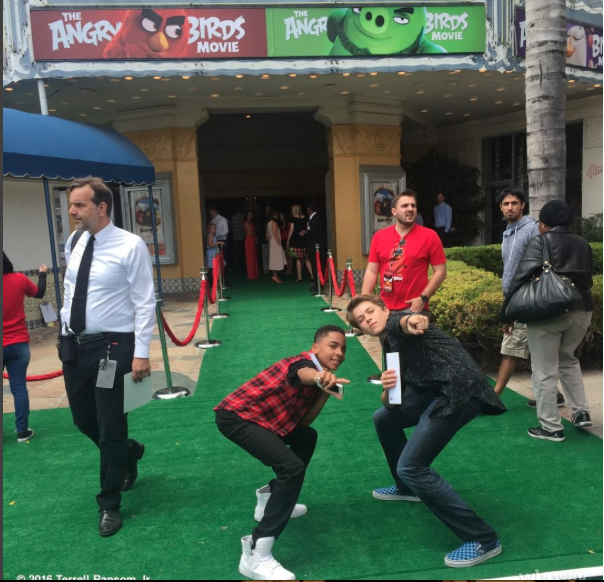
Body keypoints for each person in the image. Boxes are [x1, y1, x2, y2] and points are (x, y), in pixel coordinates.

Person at [347, 294, 506, 568]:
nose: (368, 319)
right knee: (383, 418)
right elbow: (392, 402)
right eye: (361, 319)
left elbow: (408, 322)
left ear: (384, 309)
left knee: (411, 466)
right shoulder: (388, 346)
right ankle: (407, 489)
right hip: (434, 391)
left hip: (459, 391)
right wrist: (387, 389)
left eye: (370, 311)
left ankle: (484, 539)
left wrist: (414, 320)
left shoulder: (397, 323)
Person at [60, 177, 155, 537]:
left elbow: (144, 301)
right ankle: (129, 451)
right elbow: (72, 290)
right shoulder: (74, 242)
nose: (72, 210)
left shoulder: (131, 245)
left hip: (112, 348)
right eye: (72, 203)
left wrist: (141, 353)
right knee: (84, 420)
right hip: (75, 345)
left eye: (79, 204)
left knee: (110, 422)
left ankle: (109, 504)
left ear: (101, 207)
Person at [214, 325, 348, 580]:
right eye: (333, 346)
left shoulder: (322, 376)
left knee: (307, 437)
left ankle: (269, 499)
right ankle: (256, 552)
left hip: (262, 420)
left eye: (343, 348)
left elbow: (304, 422)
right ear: (315, 348)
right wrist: (319, 378)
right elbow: (304, 374)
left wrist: (325, 391)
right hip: (237, 417)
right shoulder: (301, 363)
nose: (340, 352)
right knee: (291, 468)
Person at [501, 200, 594, 442]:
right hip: (582, 310)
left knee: (544, 369)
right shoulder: (583, 243)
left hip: (548, 311)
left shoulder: (540, 241)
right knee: (568, 359)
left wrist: (507, 314)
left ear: (543, 224)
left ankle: (551, 427)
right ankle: (581, 412)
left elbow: (520, 278)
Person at [492, 187, 565, 406]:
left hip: (527, 298)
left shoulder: (532, 229)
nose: (510, 207)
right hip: (514, 297)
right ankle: (553, 394)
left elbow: (544, 260)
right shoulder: (508, 231)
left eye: (514, 203)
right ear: (500, 207)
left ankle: (493, 398)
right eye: (506, 204)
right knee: (534, 349)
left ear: (523, 205)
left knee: (510, 350)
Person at [362, 190, 446, 313]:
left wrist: (423, 298)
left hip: (414, 308)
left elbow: (440, 272)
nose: (410, 209)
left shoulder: (430, 236)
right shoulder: (379, 237)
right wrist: (364, 302)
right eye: (405, 205)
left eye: (413, 205)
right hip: (384, 308)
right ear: (394, 211)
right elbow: (371, 271)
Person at [3, 252, 48, 442]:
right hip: (18, 343)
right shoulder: (19, 279)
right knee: (19, 388)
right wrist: (42, 274)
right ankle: (22, 432)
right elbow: (39, 293)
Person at [301, 202, 326, 293]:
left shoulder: (315, 218)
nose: (307, 210)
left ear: (310, 209)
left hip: (315, 246)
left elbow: (313, 233)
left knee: (316, 266)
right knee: (315, 266)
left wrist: (304, 235)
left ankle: (319, 285)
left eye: (307, 209)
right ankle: (317, 284)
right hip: (314, 246)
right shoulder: (314, 218)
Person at [287, 204, 312, 283]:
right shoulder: (305, 218)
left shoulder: (293, 219)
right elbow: (308, 228)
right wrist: (304, 232)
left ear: (295, 210)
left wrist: (288, 240)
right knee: (306, 258)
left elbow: (291, 230)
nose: (291, 211)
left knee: (298, 258)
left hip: (296, 240)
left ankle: (299, 277)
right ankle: (312, 275)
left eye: (292, 209)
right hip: (304, 239)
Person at [267, 210, 286, 284]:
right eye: (276, 214)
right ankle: (275, 276)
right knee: (276, 259)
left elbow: (267, 234)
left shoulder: (268, 223)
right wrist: (279, 244)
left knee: (273, 259)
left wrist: (270, 240)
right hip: (275, 242)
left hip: (272, 242)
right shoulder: (274, 223)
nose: (277, 216)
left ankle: (275, 276)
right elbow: (275, 234)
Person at [243, 211, 259, 280]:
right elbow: (250, 232)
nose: (250, 215)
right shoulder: (246, 222)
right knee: (250, 257)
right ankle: (250, 274)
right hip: (249, 239)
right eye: (249, 214)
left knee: (254, 256)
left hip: (253, 239)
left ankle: (254, 273)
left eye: (251, 214)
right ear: (246, 215)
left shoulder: (252, 223)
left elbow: (253, 232)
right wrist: (256, 236)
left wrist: (256, 239)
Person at [231, 206, 246, 271]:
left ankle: (236, 266)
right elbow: (244, 226)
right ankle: (242, 266)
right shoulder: (242, 217)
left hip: (235, 237)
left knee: (236, 253)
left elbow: (232, 226)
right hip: (242, 236)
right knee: (242, 253)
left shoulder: (233, 217)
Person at [206, 223, 220, 289]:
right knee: (212, 267)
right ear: (209, 229)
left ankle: (212, 281)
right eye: (212, 228)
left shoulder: (212, 235)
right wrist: (219, 242)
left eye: (215, 228)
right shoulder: (210, 235)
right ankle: (214, 282)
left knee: (210, 267)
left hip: (212, 251)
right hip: (211, 252)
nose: (214, 229)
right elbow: (210, 245)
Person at [279, 211, 293, 277]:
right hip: (282, 240)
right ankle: (288, 270)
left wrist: (288, 241)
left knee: (289, 256)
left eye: (281, 215)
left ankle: (290, 271)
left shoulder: (288, 223)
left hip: (287, 240)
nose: (280, 216)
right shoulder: (281, 224)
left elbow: (290, 232)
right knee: (285, 256)